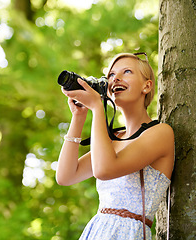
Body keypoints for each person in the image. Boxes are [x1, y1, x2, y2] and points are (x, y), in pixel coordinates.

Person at [56, 53, 174, 239]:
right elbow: (65, 176)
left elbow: (104, 170)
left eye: (127, 71)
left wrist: (96, 107)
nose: (116, 78)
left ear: (147, 86)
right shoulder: (112, 141)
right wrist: (78, 117)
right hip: (97, 230)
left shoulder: (161, 133)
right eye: (111, 75)